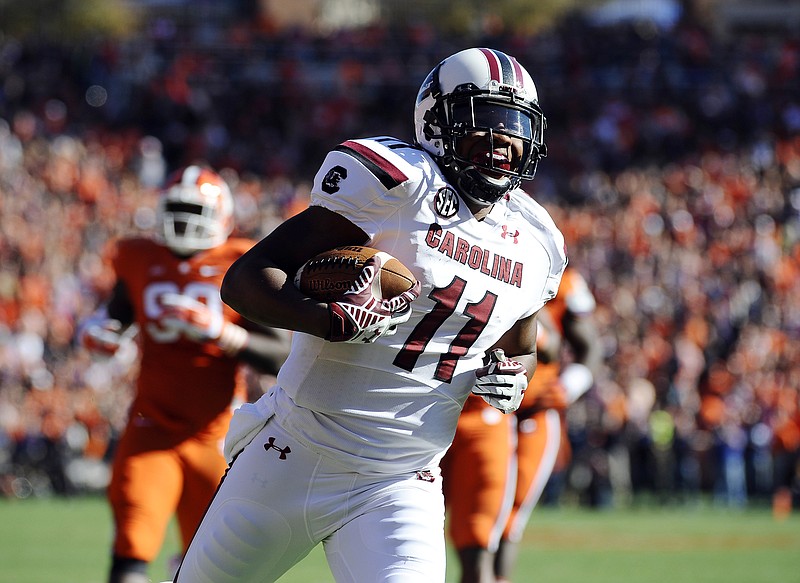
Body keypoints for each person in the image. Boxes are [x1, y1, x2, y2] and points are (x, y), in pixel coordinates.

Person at [173, 47, 566, 583]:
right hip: (292, 451)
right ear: (438, 121)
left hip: (401, 481)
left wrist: (511, 378)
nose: (503, 138)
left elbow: (521, 347)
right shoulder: (399, 183)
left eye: (516, 124)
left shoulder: (538, 242)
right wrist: (322, 317)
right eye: (485, 119)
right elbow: (245, 279)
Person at [79, 165, 291, 583]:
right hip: (152, 427)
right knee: (132, 552)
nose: (184, 221)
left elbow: (281, 355)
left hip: (218, 438)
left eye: (194, 210)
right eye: (176, 209)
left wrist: (220, 334)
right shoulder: (140, 258)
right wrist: (96, 335)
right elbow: (114, 323)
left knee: (208, 568)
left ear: (223, 217)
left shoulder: (241, 263)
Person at [442, 265, 601, 583]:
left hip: (531, 412)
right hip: (468, 410)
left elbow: (570, 345)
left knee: (507, 516)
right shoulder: (464, 263)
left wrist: (569, 385)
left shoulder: (560, 278)